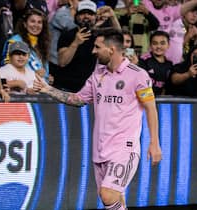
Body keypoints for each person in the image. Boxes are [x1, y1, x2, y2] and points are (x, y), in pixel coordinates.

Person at [33, 28, 162, 210]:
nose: (93, 51)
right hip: (100, 150)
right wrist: (47, 90)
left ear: (111, 49)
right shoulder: (97, 75)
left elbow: (151, 108)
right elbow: (78, 100)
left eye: (97, 47)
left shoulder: (137, 75)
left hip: (124, 148)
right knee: (113, 199)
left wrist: (154, 143)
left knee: (107, 194)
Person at [54, 0, 98, 92]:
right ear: (76, 16)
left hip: (89, 90)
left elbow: (119, 39)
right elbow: (62, 62)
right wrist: (75, 43)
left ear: (95, 17)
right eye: (82, 13)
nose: (86, 16)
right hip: (65, 88)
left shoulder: (99, 36)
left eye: (90, 13)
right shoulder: (67, 34)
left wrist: (113, 17)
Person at [143, 0, 197, 64]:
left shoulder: (181, 23)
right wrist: (188, 36)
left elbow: (179, 43)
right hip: (158, 62)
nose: (194, 15)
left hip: (175, 63)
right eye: (192, 11)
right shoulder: (158, 10)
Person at [1, 8, 52, 84]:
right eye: (32, 21)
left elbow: (43, 70)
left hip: (39, 89)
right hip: (19, 90)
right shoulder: (14, 41)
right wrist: (32, 75)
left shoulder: (42, 44)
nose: (36, 25)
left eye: (39, 22)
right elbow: (7, 66)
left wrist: (47, 78)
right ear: (25, 24)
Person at [138, 31, 173, 95]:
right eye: (155, 43)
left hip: (161, 101)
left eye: (162, 43)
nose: (158, 46)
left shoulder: (170, 64)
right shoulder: (143, 61)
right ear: (150, 45)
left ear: (168, 45)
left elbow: (166, 87)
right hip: (145, 99)